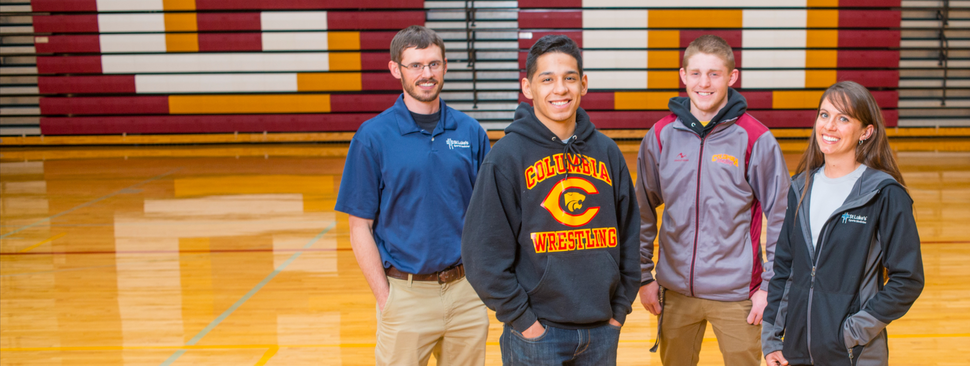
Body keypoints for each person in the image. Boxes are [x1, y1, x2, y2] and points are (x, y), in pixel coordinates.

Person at [460, 34, 640, 366]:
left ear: (583, 84)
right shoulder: (507, 158)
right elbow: (481, 255)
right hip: (537, 335)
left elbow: (631, 234)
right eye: (547, 79)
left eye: (569, 78)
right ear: (528, 88)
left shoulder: (607, 152)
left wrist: (619, 310)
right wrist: (526, 323)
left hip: (602, 330)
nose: (560, 89)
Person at [334, 25, 491, 366]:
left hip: (466, 292)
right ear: (396, 70)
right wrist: (385, 297)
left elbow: (489, 216)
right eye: (416, 66)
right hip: (404, 294)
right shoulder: (372, 137)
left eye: (434, 64)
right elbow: (359, 226)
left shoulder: (470, 132)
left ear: (445, 67)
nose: (426, 74)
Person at [635, 34, 791, 366]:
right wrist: (643, 275)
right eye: (695, 73)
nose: (703, 83)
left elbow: (782, 217)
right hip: (675, 294)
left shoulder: (754, 139)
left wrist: (770, 288)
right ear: (683, 76)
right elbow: (642, 211)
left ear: (732, 77)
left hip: (737, 296)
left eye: (714, 74)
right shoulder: (661, 136)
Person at [762, 81, 924, 366]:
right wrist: (773, 339)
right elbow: (784, 270)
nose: (829, 126)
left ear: (866, 132)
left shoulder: (884, 194)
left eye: (843, 118)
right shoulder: (800, 187)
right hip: (797, 351)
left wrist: (851, 332)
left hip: (853, 353)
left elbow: (907, 280)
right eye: (824, 115)